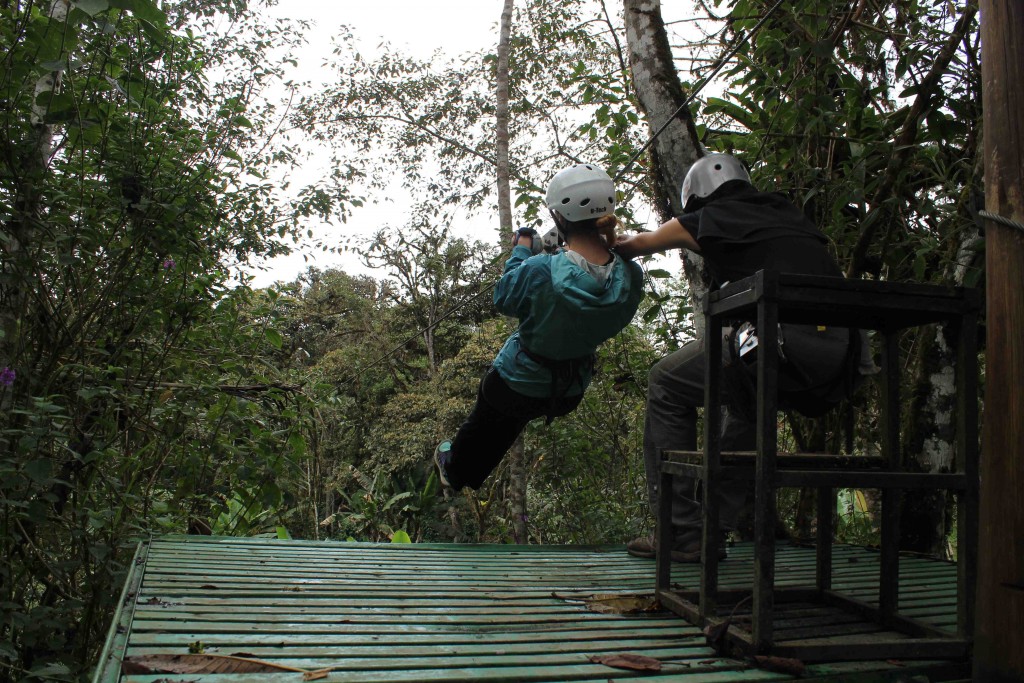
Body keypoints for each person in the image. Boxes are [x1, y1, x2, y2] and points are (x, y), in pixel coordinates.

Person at [614, 153, 874, 562]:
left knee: (665, 382)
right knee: (747, 401)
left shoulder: (708, 218)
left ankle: (681, 530)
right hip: (841, 357)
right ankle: (712, 531)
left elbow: (633, 246)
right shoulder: (787, 214)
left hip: (784, 344)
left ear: (697, 197)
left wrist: (597, 230)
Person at [433, 163, 645, 492]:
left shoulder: (539, 270)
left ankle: (457, 471)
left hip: (515, 384)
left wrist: (521, 250)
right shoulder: (630, 276)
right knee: (515, 412)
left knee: (493, 414)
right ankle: (464, 471)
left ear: (559, 217)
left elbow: (504, 297)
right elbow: (587, 281)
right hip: (568, 391)